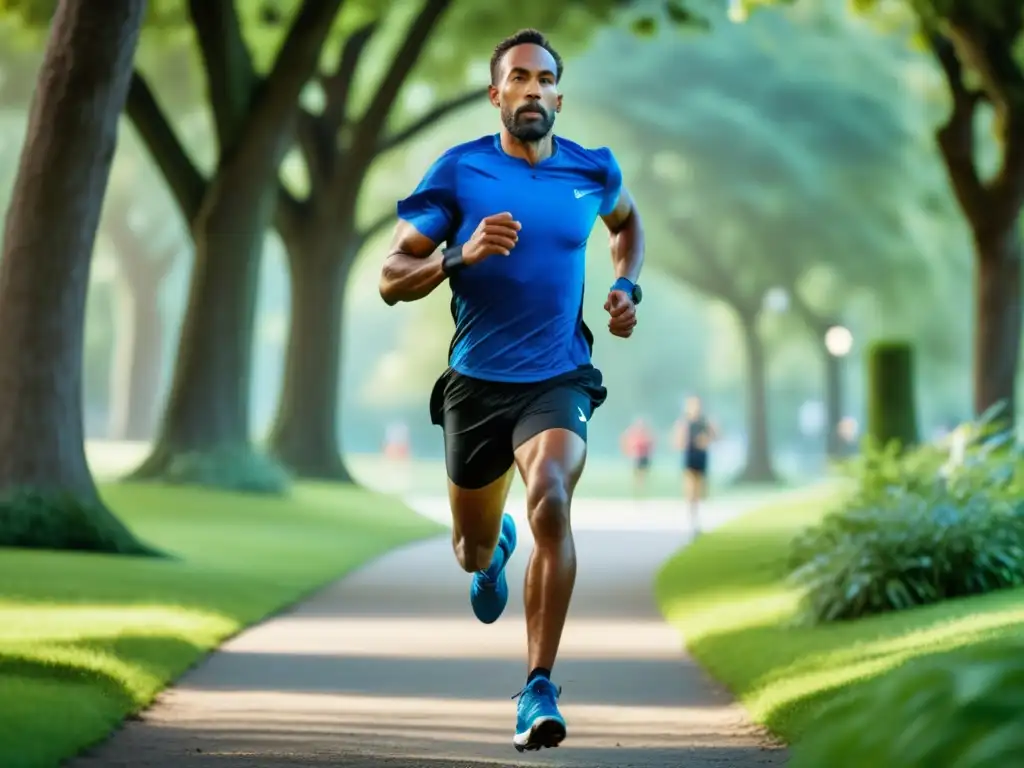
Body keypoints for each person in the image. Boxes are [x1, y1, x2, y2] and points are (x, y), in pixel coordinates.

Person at [378, 28, 645, 752]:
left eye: (545, 78)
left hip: (558, 375)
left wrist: (625, 286)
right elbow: (390, 275)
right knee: (469, 550)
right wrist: (457, 256)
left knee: (550, 498)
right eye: (518, 78)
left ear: (559, 94)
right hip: (475, 385)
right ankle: (490, 547)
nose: (532, 89)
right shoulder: (460, 172)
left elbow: (627, 227)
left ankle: (537, 687)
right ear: (497, 94)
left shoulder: (594, 171)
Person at [673, 396, 716, 535]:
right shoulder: (684, 423)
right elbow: (677, 441)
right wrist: (682, 442)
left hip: (701, 456)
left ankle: (698, 512)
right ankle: (692, 517)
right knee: (690, 486)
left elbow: (715, 436)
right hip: (690, 455)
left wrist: (706, 440)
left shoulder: (705, 422)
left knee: (701, 489)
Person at [620, 417, 655, 496]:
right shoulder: (633, 434)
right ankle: (638, 489)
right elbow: (627, 443)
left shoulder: (647, 434)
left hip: (644, 456)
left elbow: (650, 445)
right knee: (637, 473)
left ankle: (642, 488)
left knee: (643, 473)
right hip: (637, 456)